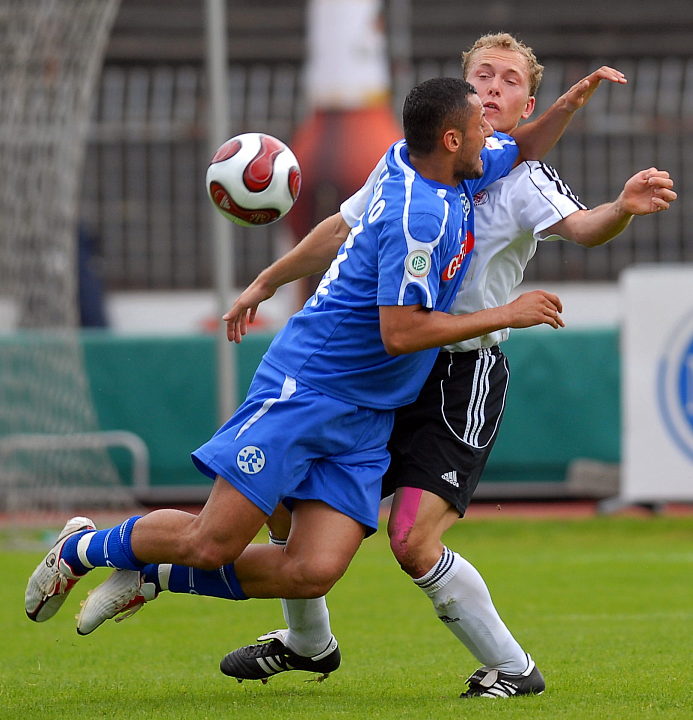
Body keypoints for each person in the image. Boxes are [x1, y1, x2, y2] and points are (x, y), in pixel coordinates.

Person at [25, 79, 566, 655]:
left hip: (367, 411)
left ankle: (151, 574)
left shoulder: (440, 162)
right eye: (480, 126)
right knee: (212, 542)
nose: (493, 131)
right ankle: (82, 548)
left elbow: (523, 146)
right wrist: (505, 313)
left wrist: (569, 103)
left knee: (310, 570)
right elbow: (400, 332)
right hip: (311, 386)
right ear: (452, 138)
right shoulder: (420, 217)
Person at [217, 35, 677, 698]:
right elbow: (342, 229)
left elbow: (583, 226)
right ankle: (308, 643)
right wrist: (265, 280)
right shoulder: (410, 162)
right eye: (481, 75)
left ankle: (513, 670)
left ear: (526, 101)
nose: (492, 87)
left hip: (461, 375)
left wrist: (621, 209)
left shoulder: (522, 177)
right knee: (287, 505)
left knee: (410, 540)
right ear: (459, 102)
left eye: (509, 80)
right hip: (390, 365)